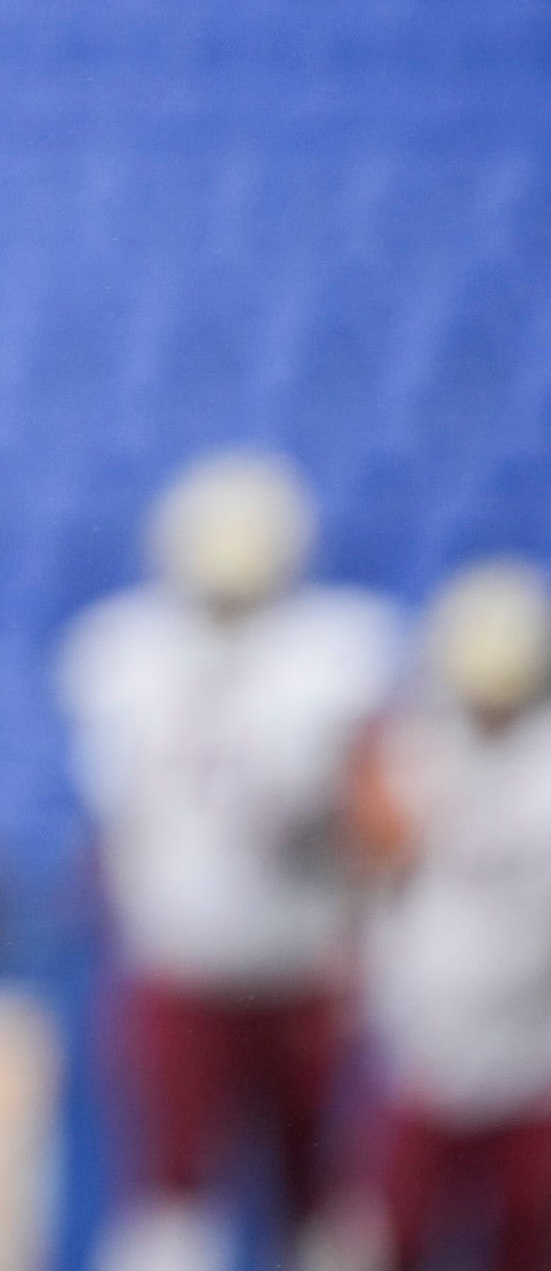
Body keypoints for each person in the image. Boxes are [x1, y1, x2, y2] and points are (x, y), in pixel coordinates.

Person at [63, 450, 400, 1271]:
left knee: (317, 1193)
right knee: (171, 1195)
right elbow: (116, 831)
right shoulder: (125, 649)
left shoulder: (338, 651)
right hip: (178, 956)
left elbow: (379, 822)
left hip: (301, 955)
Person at [352, 559, 551, 1271]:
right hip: (427, 1047)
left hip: (533, 1054)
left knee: (528, 1237)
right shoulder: (413, 749)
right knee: (394, 1233)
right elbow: (373, 859)